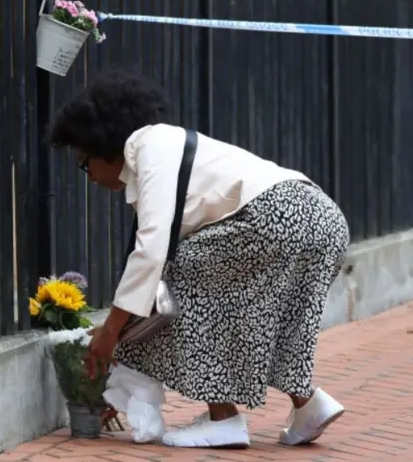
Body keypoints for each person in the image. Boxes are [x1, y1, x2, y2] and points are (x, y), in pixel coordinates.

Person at [49, 68, 350, 448]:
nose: (88, 175)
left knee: (177, 275)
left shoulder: (150, 147)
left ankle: (223, 419)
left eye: (85, 161)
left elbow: (152, 252)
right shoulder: (167, 150)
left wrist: (111, 332)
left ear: (105, 145)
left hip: (277, 216)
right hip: (322, 218)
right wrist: (120, 341)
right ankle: (309, 405)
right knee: (278, 315)